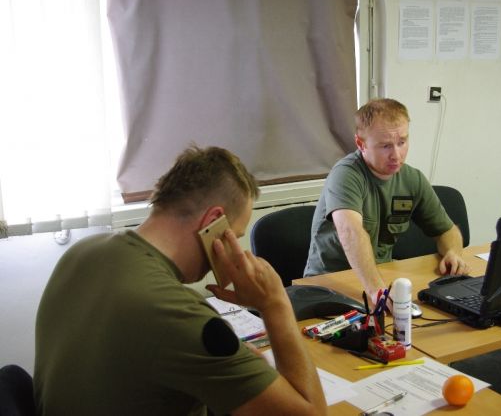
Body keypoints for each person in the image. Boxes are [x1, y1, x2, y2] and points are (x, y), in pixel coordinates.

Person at [34, 146, 326, 416]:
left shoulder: (82, 253)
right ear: (213, 221)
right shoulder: (178, 313)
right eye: (235, 236)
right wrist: (275, 304)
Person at [304, 98, 469, 303]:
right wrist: (377, 290)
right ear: (361, 144)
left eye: (402, 142)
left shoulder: (412, 179)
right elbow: (350, 231)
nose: (396, 155)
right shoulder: (345, 175)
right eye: (385, 146)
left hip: (380, 276)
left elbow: (447, 230)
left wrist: (453, 252)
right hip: (329, 284)